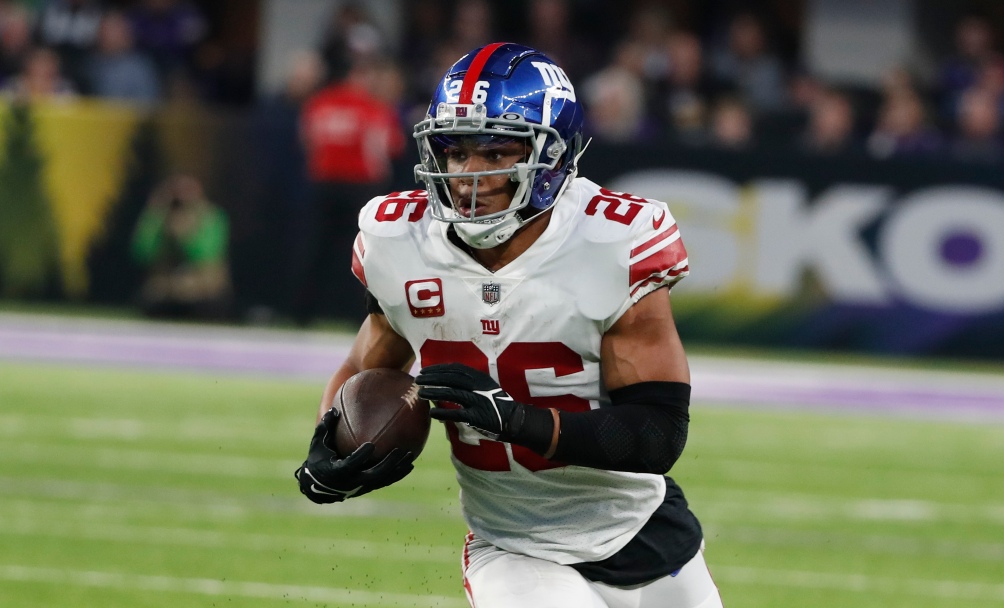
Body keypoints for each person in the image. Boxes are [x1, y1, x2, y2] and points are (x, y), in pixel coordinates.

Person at [294, 42, 723, 608]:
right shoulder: (400, 241)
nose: (470, 174)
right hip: (512, 545)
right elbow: (365, 366)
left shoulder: (611, 242)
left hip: (643, 528)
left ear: (554, 157)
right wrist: (335, 439)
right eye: (456, 151)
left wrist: (516, 419)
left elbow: (659, 433)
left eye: (496, 153)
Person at [292, 53, 405, 324]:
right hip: (360, 188)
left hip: (323, 185)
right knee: (366, 252)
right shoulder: (374, 108)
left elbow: (306, 140)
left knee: (316, 250)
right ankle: (365, 316)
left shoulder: (320, 103)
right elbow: (392, 146)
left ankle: (301, 313)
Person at [131, 174, 232, 320]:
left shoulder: (211, 218)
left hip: (202, 295)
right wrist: (155, 215)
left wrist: (186, 237)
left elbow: (206, 254)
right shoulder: (159, 218)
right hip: (166, 293)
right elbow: (141, 252)